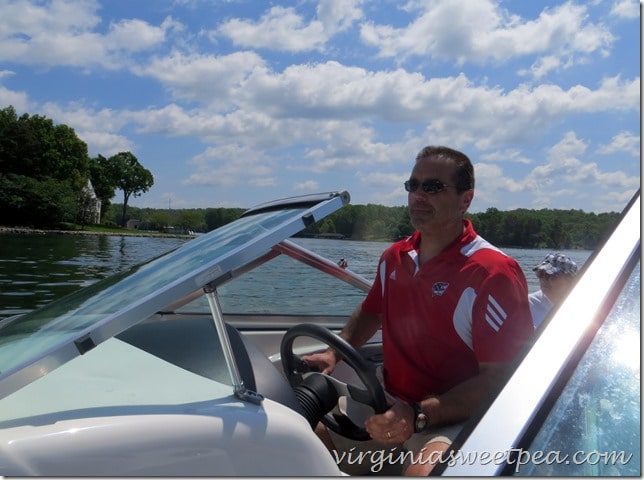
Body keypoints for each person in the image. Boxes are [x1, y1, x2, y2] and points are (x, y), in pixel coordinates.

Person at [304, 145, 534, 475]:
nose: (418, 196)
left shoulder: (492, 273)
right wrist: (333, 354)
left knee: (422, 473)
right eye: (413, 185)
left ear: (465, 199)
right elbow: (372, 312)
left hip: (456, 415)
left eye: (433, 187)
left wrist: (418, 414)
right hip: (390, 403)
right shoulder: (394, 257)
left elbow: (501, 379)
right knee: (312, 445)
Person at [529, 253, 578, 329]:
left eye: (551, 276)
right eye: (540, 274)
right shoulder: (527, 304)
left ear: (570, 281)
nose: (544, 280)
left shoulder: (582, 308)